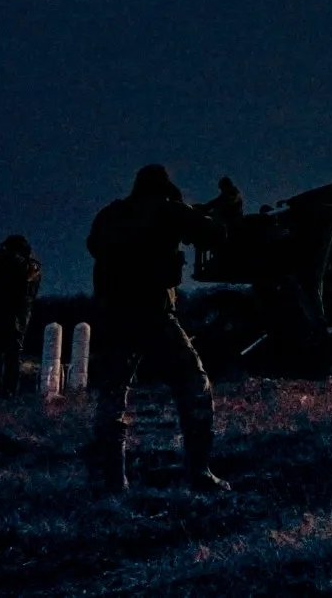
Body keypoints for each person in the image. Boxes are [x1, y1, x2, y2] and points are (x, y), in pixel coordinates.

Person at [85, 164, 230, 494]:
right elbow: (214, 234)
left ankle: (112, 480)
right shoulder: (167, 210)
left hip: (114, 315)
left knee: (113, 395)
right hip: (153, 314)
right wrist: (192, 212)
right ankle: (199, 472)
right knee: (194, 385)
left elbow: (94, 246)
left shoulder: (110, 215)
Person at [0, 235, 42, 402]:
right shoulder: (6, 260)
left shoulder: (29, 263)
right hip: (1, 307)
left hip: (17, 309)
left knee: (11, 352)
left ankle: (8, 391)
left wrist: (6, 257)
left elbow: (23, 273)